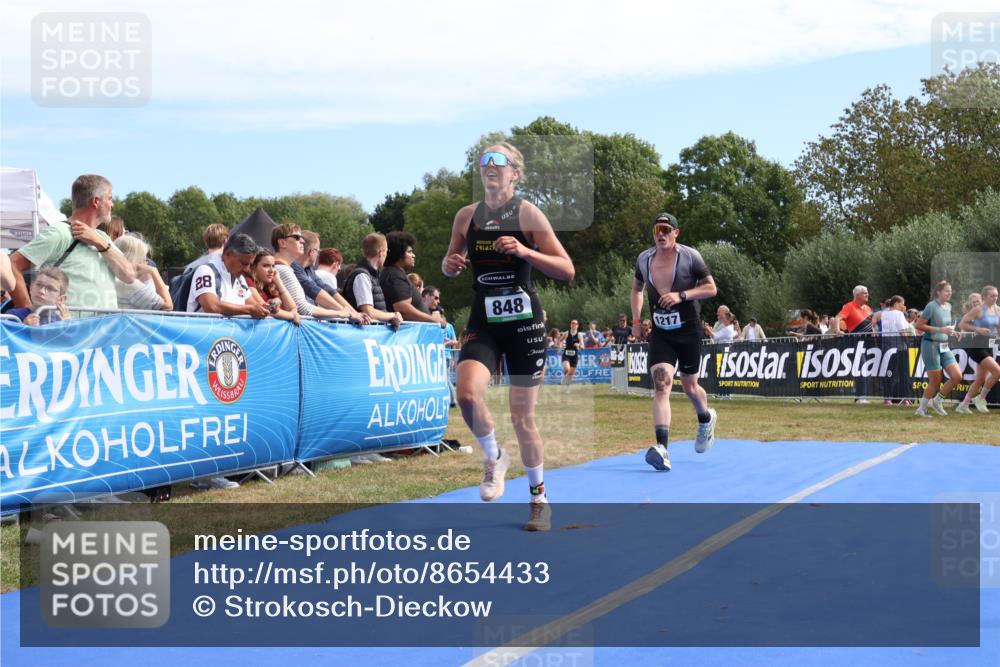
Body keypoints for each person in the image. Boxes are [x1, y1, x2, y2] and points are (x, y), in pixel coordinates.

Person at [441, 142, 574, 531]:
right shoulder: (466, 216)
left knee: (522, 418)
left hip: (524, 325)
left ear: (515, 172)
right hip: (484, 319)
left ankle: (539, 500)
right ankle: (494, 456)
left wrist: (525, 251)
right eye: (484, 160)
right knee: (465, 394)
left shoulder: (528, 213)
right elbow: (451, 267)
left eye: (498, 161)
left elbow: (566, 269)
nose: (489, 166)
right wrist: (450, 265)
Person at [631, 212, 718, 473]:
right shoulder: (644, 259)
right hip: (661, 333)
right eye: (657, 229)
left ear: (676, 233)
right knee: (662, 385)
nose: (661, 234)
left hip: (689, 330)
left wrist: (682, 295)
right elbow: (637, 290)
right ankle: (662, 449)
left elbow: (711, 288)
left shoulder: (691, 257)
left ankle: (705, 418)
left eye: (666, 230)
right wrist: (636, 322)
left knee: (690, 386)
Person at [9, 174, 135, 314]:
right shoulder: (61, 233)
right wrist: (29, 312)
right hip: (66, 333)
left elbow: (129, 276)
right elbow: (11, 265)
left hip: (103, 333)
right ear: (96, 201)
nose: (112, 204)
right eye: (110, 198)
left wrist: (99, 242)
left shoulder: (103, 238)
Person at [271, 224, 363, 321]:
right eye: (297, 238)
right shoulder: (283, 269)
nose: (302, 241)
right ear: (282, 243)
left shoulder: (283, 268)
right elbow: (303, 308)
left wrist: (350, 312)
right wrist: (341, 313)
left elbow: (324, 288)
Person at [913, 280, 963, 418]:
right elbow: (919, 325)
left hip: (944, 345)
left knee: (957, 376)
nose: (949, 293)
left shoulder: (949, 306)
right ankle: (921, 409)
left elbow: (946, 327)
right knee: (935, 381)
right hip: (930, 345)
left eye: (950, 290)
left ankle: (937, 401)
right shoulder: (931, 306)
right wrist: (940, 329)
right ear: (938, 292)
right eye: (947, 290)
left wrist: (953, 332)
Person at [381, 231, 444, 326]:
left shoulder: (395, 274)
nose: (413, 255)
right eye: (409, 252)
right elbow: (403, 309)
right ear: (399, 255)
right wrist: (434, 320)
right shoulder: (394, 276)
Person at [342, 233, 403, 327]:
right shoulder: (362, 276)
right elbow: (369, 312)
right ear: (381, 252)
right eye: (386, 251)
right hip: (363, 335)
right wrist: (393, 315)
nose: (386, 255)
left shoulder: (370, 275)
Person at [957, 285, 999, 414]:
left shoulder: (997, 310)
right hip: (977, 346)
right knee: (997, 372)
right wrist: (977, 329)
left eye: (996, 295)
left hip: (990, 346)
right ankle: (981, 398)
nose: (995, 298)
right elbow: (962, 324)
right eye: (992, 295)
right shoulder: (978, 309)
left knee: (980, 379)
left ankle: (963, 405)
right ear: (984, 297)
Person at [833, 285, 875, 403]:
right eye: (865, 293)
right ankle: (861, 396)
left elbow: (870, 325)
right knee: (861, 367)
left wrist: (875, 333)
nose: (867, 294)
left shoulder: (868, 308)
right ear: (857, 295)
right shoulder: (849, 306)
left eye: (867, 292)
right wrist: (837, 330)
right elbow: (837, 318)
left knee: (867, 368)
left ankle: (861, 396)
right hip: (856, 343)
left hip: (869, 343)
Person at [113, 234, 173, 311]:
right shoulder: (130, 285)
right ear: (134, 259)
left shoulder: (109, 278)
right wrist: (154, 272)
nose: (145, 262)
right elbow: (168, 306)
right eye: (143, 258)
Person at [5, 266, 70, 325]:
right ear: (31, 288)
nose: (41, 291)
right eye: (39, 285)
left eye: (50, 288)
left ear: (61, 299)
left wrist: (65, 328)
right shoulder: (14, 315)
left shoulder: (61, 321)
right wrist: (24, 327)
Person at [250, 249, 301, 324]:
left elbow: (292, 308)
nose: (271, 270)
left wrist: (278, 281)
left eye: (273, 266)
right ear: (254, 267)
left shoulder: (270, 287)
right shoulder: (248, 282)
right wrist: (292, 316)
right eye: (266, 266)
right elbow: (265, 310)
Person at [878, 295, 911, 406]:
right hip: (900, 346)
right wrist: (908, 342)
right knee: (903, 373)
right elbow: (902, 330)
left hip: (887, 345)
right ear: (896, 303)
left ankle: (887, 398)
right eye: (902, 303)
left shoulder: (884, 313)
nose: (904, 306)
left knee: (889, 372)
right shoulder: (899, 314)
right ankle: (905, 398)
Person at [561, 319, 585, 393]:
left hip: (574, 356)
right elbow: (559, 340)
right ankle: (564, 377)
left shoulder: (579, 335)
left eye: (575, 324)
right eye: (572, 323)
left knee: (571, 374)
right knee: (566, 368)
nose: (574, 325)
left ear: (577, 326)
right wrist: (561, 345)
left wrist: (579, 345)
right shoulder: (566, 333)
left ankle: (568, 388)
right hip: (566, 354)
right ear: (570, 325)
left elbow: (583, 347)